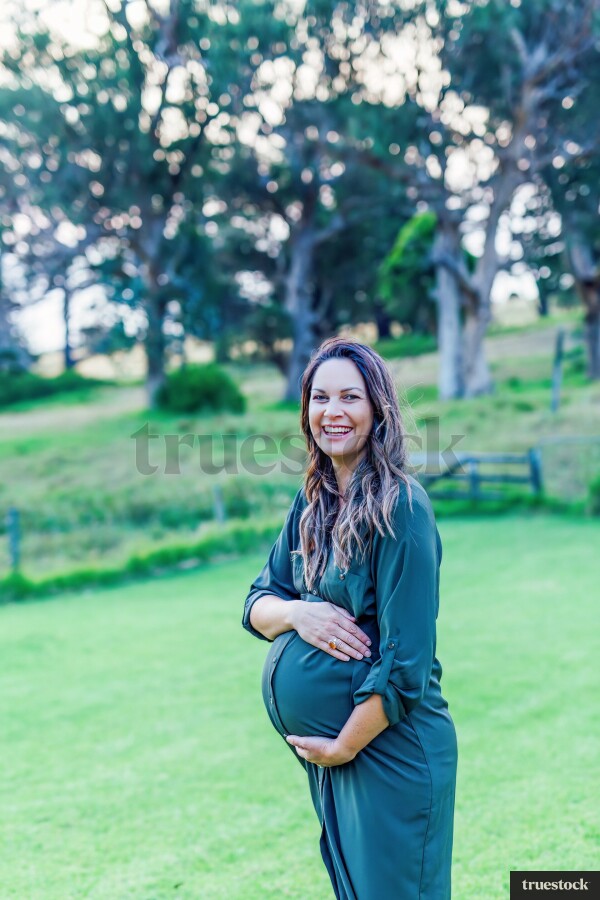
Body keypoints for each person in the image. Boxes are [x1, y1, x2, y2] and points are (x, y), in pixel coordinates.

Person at [242, 337, 458, 899]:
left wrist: (344, 744)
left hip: (388, 748)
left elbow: (405, 662)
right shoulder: (313, 502)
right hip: (337, 756)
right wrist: (300, 613)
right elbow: (258, 603)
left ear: (378, 410)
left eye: (350, 398)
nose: (331, 412)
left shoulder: (401, 508)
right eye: (320, 397)